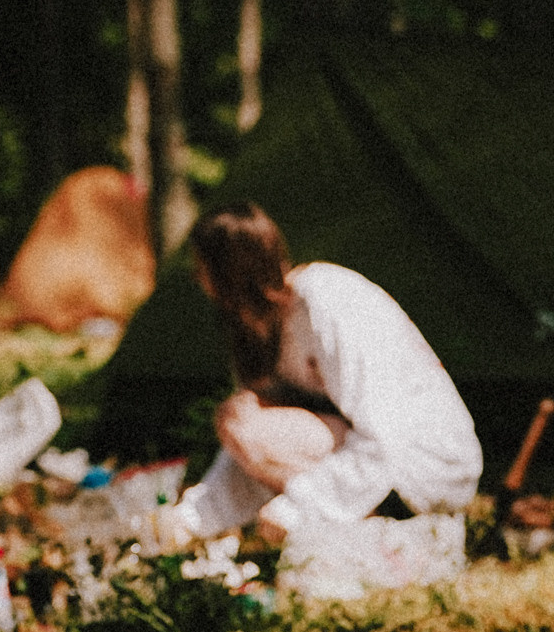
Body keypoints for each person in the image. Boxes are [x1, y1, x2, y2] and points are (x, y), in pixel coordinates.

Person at [170, 203, 481, 545]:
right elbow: (253, 440)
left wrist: (301, 507)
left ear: (227, 271)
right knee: (241, 415)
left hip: (426, 464)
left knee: (243, 422)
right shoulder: (255, 327)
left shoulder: (326, 302)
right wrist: (192, 518)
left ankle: (370, 528)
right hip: (366, 456)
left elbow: (384, 435)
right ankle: (351, 524)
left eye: (201, 268)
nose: (197, 280)